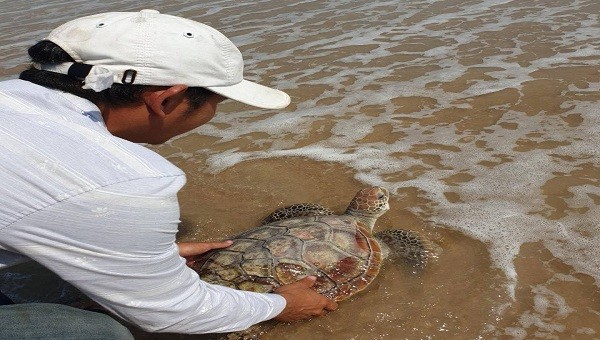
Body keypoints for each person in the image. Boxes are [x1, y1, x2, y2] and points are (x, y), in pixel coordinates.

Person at [0, 9, 337, 337]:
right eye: (217, 102)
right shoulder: (120, 182)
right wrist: (279, 305)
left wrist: (132, 254)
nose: (213, 113)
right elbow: (173, 311)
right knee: (97, 331)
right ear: (166, 100)